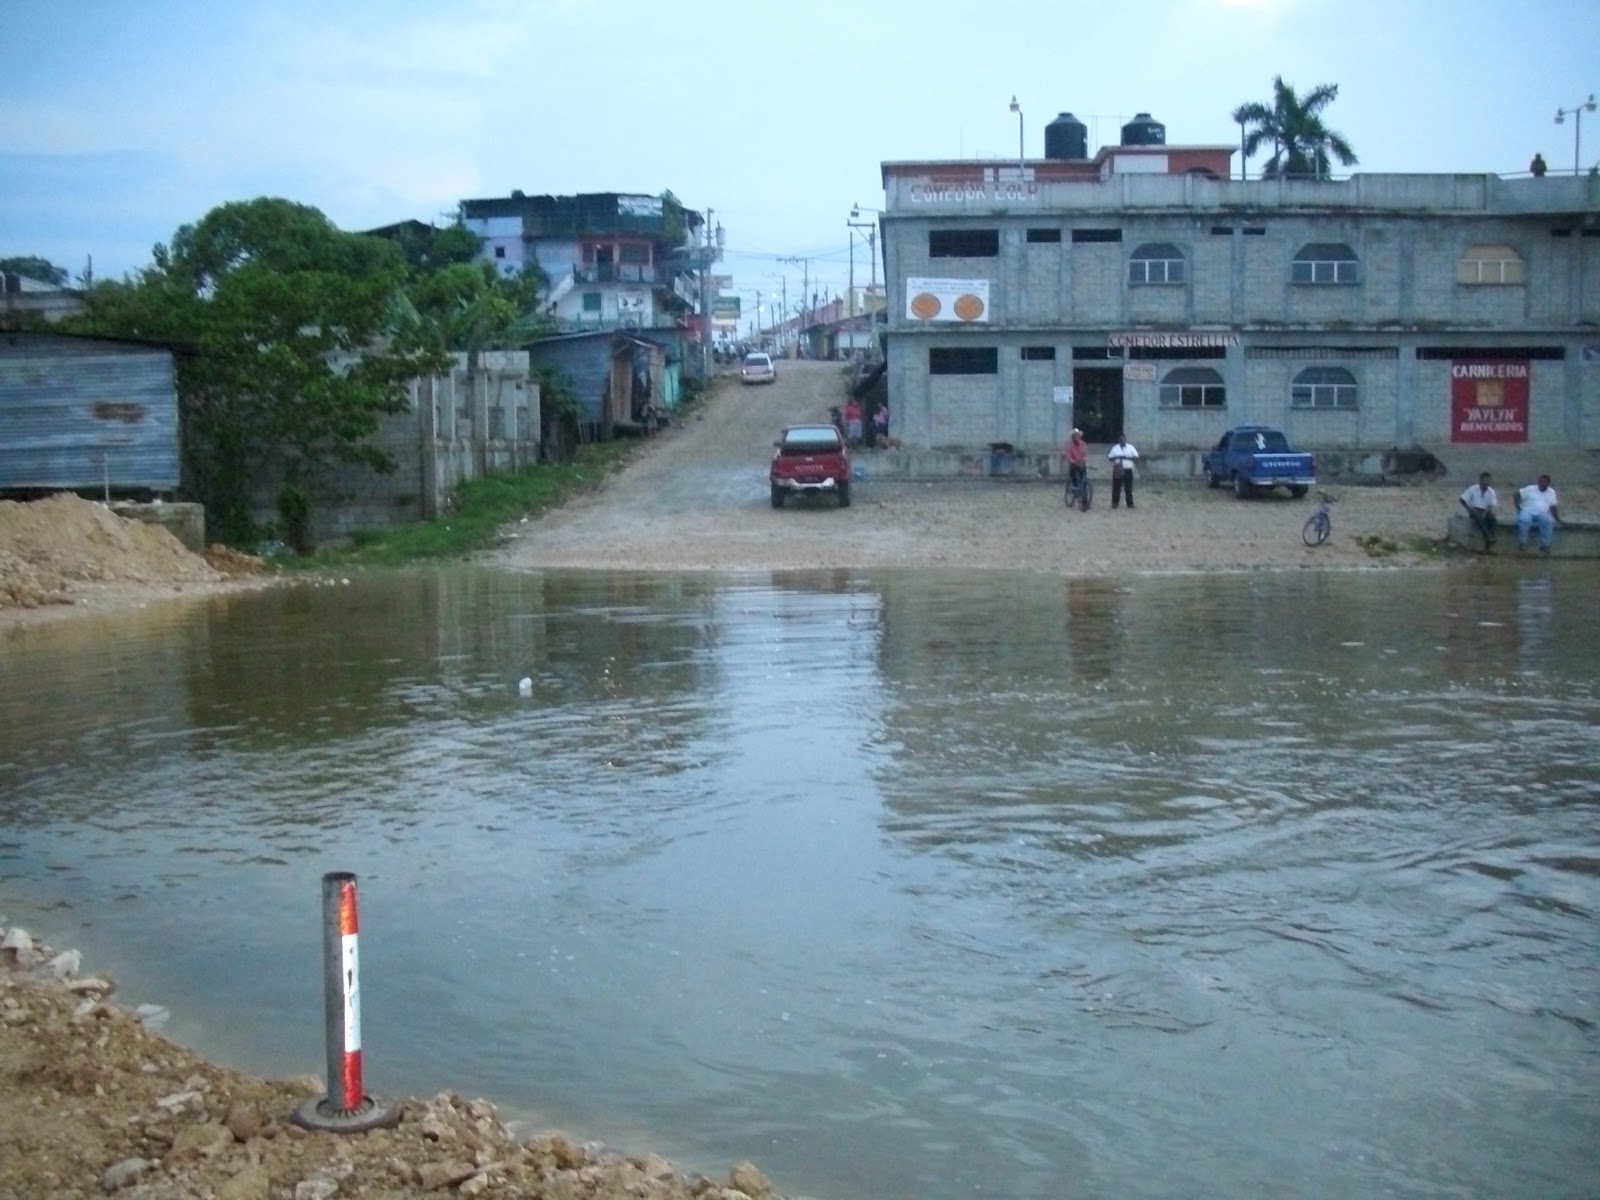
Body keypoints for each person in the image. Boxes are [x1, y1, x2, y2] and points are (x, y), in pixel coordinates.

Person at [1514, 474, 1561, 553]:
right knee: (1524, 520)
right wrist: (1518, 508)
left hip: (1542, 513)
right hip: (1527, 511)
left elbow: (1553, 507)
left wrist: (1557, 519)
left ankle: (1545, 545)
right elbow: (1517, 495)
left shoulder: (1551, 492)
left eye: (1546, 482)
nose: (1543, 484)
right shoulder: (1530, 488)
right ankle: (1522, 543)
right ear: (1538, 482)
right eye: (1542, 481)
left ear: (1548, 484)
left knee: (1548, 522)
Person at [1458, 471, 1499, 550]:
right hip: (1474, 509)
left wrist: (1485, 512)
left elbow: (1491, 505)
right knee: (1478, 516)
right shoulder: (1473, 489)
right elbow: (1462, 499)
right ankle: (1489, 538)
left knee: (1492, 518)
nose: (1486, 483)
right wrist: (1469, 509)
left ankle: (1491, 538)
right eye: (1485, 480)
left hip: (1485, 510)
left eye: (1488, 481)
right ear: (1480, 480)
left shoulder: (1491, 491)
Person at [1107, 434, 1139, 509]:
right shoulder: (1115, 448)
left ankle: (1130, 503)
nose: (1122, 440)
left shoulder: (1130, 447)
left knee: (1128, 488)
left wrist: (1127, 458)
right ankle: (1115, 503)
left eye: (1124, 439)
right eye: (1121, 439)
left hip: (1127, 469)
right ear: (1119, 440)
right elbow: (1109, 458)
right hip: (1117, 469)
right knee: (1116, 487)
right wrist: (1117, 457)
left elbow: (1136, 457)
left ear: (1126, 439)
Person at [1064, 428, 1088, 500]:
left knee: (1084, 481)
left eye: (1078, 436)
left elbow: (1085, 453)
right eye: (1075, 436)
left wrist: (1084, 459)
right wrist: (1072, 461)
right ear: (1073, 437)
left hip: (1081, 464)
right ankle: (1075, 491)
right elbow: (1067, 455)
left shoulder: (1083, 444)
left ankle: (1085, 500)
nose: (1077, 437)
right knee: (1075, 480)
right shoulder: (1069, 445)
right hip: (1073, 465)